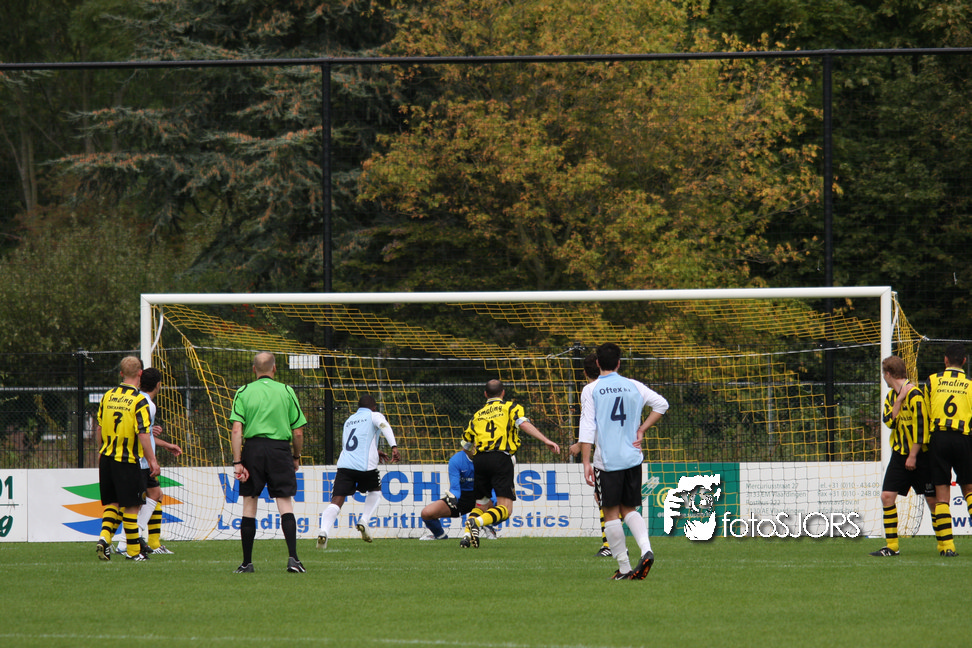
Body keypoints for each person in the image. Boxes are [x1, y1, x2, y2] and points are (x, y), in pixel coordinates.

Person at [579, 342, 669, 580]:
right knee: (629, 509)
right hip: (632, 459)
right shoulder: (634, 385)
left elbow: (587, 427)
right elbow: (662, 404)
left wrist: (586, 462)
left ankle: (624, 568)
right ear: (619, 363)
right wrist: (642, 429)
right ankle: (646, 549)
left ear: (597, 363)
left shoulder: (591, 389)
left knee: (610, 513)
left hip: (607, 462)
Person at [230, 352, 307, 573]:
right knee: (285, 504)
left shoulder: (243, 392)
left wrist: (237, 461)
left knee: (249, 505)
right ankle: (293, 559)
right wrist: (295, 456)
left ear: (254, 369)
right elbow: (298, 431)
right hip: (279, 451)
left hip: (252, 450)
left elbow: (236, 430)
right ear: (274, 369)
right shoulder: (286, 391)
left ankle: (247, 563)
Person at [459, 379, 560, 548]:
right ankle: (477, 523)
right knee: (505, 509)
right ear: (503, 393)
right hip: (500, 458)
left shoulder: (477, 415)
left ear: (485, 394)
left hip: (480, 460)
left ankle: (466, 535)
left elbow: (466, 445)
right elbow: (523, 424)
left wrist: (475, 458)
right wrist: (545, 440)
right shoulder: (511, 407)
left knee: (481, 504)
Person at [94, 355, 160, 562]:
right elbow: (143, 434)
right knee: (132, 506)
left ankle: (105, 538)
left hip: (107, 458)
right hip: (127, 460)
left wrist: (101, 450)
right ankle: (132, 552)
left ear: (121, 373)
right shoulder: (139, 400)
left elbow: (99, 428)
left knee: (112, 503)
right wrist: (152, 460)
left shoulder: (107, 396)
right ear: (140, 373)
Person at [870, 355, 936, 556]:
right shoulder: (892, 396)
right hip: (900, 455)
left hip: (920, 455)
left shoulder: (916, 395)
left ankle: (946, 546)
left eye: (883, 373)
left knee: (933, 502)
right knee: (887, 496)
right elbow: (889, 421)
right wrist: (899, 400)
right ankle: (892, 547)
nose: (883, 377)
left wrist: (913, 455)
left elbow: (922, 429)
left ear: (888, 374)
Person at [114, 367, 182, 556]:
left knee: (154, 494)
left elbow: (145, 433)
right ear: (158, 385)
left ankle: (132, 539)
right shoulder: (147, 404)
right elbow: (141, 435)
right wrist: (152, 460)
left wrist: (166, 444)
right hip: (140, 460)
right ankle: (128, 541)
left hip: (136, 458)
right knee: (139, 501)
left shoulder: (138, 399)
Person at [317, 395, 400, 548]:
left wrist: (375, 450)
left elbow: (351, 444)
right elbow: (385, 426)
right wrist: (394, 447)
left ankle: (324, 531)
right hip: (364, 466)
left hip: (344, 466)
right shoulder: (374, 415)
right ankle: (364, 520)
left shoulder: (349, 420)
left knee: (336, 501)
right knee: (375, 490)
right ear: (373, 407)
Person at [924, 343, 972, 557]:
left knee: (942, 495)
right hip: (963, 439)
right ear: (964, 361)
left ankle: (948, 547)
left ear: (945, 360)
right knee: (969, 490)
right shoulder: (970, 384)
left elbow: (925, 412)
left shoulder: (932, 381)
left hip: (939, 438)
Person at [568, 352, 612, 557]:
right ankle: (613, 544)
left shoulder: (590, 390)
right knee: (608, 499)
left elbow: (590, 423)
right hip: (628, 451)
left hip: (607, 455)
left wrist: (582, 451)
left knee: (605, 499)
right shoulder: (620, 387)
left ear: (585, 372)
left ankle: (610, 545)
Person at [420, 447, 497, 540]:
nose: (473, 448)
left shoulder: (489, 460)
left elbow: (493, 487)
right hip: (462, 498)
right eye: (470, 445)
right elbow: (455, 488)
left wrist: (494, 501)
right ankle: (440, 536)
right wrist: (453, 497)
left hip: (483, 495)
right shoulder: (456, 460)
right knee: (427, 513)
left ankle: (488, 526)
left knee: (503, 507)